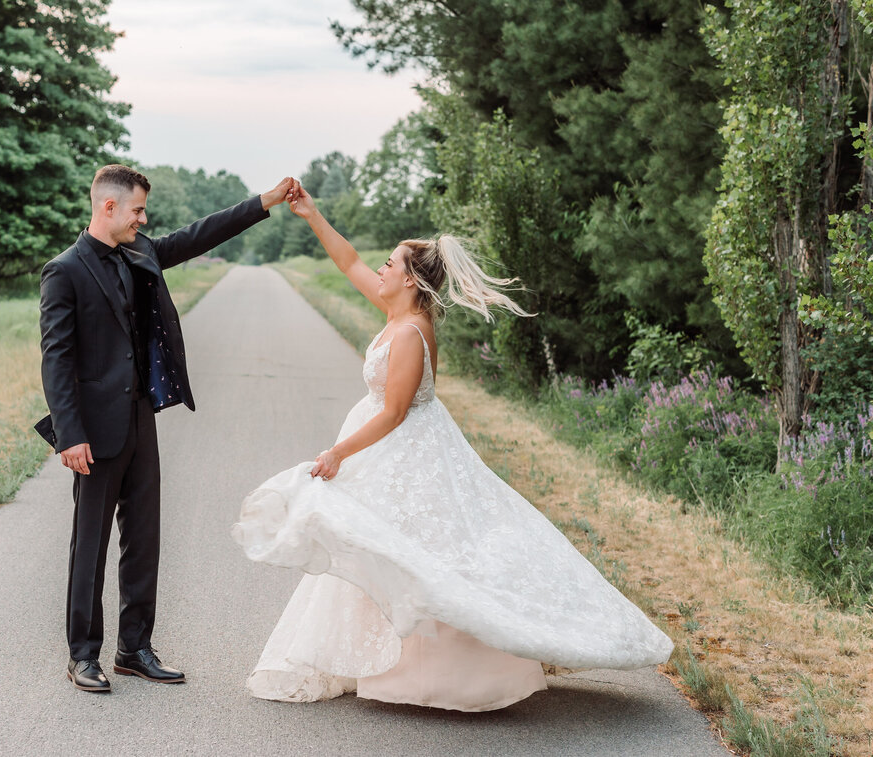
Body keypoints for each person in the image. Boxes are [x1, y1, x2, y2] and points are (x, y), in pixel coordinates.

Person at [232, 185, 673, 711]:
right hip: (391, 447)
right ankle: (370, 655)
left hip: (409, 448)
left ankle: (440, 675)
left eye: (391, 262)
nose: (381, 267)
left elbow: (395, 413)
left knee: (424, 549)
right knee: (381, 542)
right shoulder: (395, 315)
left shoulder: (411, 333)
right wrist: (312, 215)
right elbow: (348, 261)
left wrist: (337, 453)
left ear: (411, 279)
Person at [39, 164, 295, 693]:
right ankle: (82, 655)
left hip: (139, 418)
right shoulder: (63, 271)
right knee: (89, 547)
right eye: (137, 210)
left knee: (144, 540)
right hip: (93, 432)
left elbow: (198, 235)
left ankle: (134, 648)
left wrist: (263, 202)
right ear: (107, 207)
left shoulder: (140, 251)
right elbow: (56, 361)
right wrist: (70, 435)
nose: (144, 218)